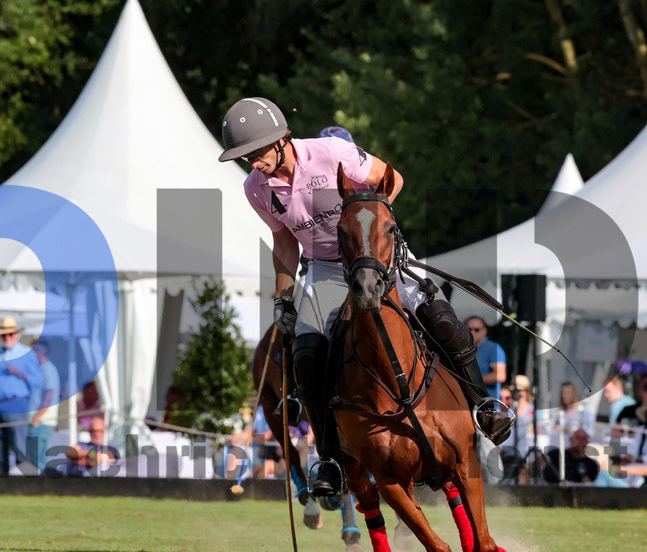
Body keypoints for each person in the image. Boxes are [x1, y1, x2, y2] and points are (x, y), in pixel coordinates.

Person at [218, 98, 512, 497]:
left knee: (441, 318)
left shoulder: (332, 153)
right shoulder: (256, 189)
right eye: (244, 157)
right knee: (306, 353)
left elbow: (393, 178)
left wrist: (376, 230)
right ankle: (330, 459)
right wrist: (283, 298)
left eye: (255, 153)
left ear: (282, 139)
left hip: (375, 254)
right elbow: (284, 241)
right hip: (324, 269)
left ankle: (483, 407)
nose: (252, 163)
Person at [0, 317, 42, 475]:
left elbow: (37, 381)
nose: (7, 338)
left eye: (10, 334)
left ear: (16, 335)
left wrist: (20, 373)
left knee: (20, 446)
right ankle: (0, 482)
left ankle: (22, 483)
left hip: (16, 403)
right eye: (4, 335)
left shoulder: (26, 354)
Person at [29, 340, 61, 473]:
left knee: (38, 459)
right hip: (39, 421)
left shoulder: (48, 369)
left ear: (40, 352)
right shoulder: (41, 369)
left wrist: (37, 416)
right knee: (35, 457)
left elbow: (49, 395)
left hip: (41, 422)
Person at [49, 416, 118, 477]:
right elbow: (69, 452)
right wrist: (90, 453)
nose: (96, 434)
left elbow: (96, 461)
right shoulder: (82, 444)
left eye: (99, 431)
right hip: (71, 478)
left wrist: (75, 458)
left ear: (105, 432)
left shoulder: (110, 448)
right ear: (89, 432)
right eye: (93, 431)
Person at [466, 317, 507, 399]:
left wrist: (473, 381)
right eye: (469, 329)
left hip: (488, 404)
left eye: (476, 329)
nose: (472, 332)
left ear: (484, 331)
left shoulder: (493, 348)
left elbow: (500, 375)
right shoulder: (463, 349)